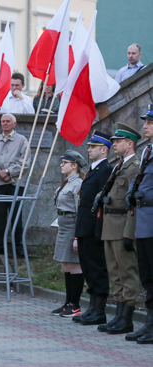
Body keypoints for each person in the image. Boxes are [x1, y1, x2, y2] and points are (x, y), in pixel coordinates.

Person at [96, 123, 141, 334]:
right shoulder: (119, 165)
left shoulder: (135, 168)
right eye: (114, 141)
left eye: (118, 141)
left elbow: (133, 204)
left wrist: (129, 232)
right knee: (115, 273)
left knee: (127, 272)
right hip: (110, 224)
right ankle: (119, 315)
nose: (114, 144)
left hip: (123, 224)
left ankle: (127, 318)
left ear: (130, 144)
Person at [73, 131, 113, 322]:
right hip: (84, 226)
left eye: (93, 147)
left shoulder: (105, 170)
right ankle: (92, 307)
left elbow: (101, 203)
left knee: (97, 268)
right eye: (89, 146)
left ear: (104, 150)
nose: (89, 150)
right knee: (88, 268)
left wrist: (98, 228)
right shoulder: (93, 169)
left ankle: (99, 310)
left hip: (94, 227)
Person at [125, 105, 153, 344]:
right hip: (144, 222)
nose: (145, 126)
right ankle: (149, 324)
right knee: (147, 276)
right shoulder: (147, 151)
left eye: (150, 123)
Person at [0, 114, 29, 255]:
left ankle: (18, 247)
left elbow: (25, 162)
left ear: (14, 124)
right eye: (2, 121)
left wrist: (9, 172)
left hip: (15, 183)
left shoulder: (22, 140)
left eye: (7, 121)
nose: (4, 123)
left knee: (16, 215)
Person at [51, 150, 85, 317]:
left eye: (65, 162)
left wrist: (77, 236)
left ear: (74, 165)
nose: (61, 165)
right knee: (65, 263)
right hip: (63, 225)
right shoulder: (66, 183)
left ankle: (75, 304)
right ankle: (67, 303)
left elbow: (80, 211)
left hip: (72, 226)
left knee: (74, 264)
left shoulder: (78, 184)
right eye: (62, 162)